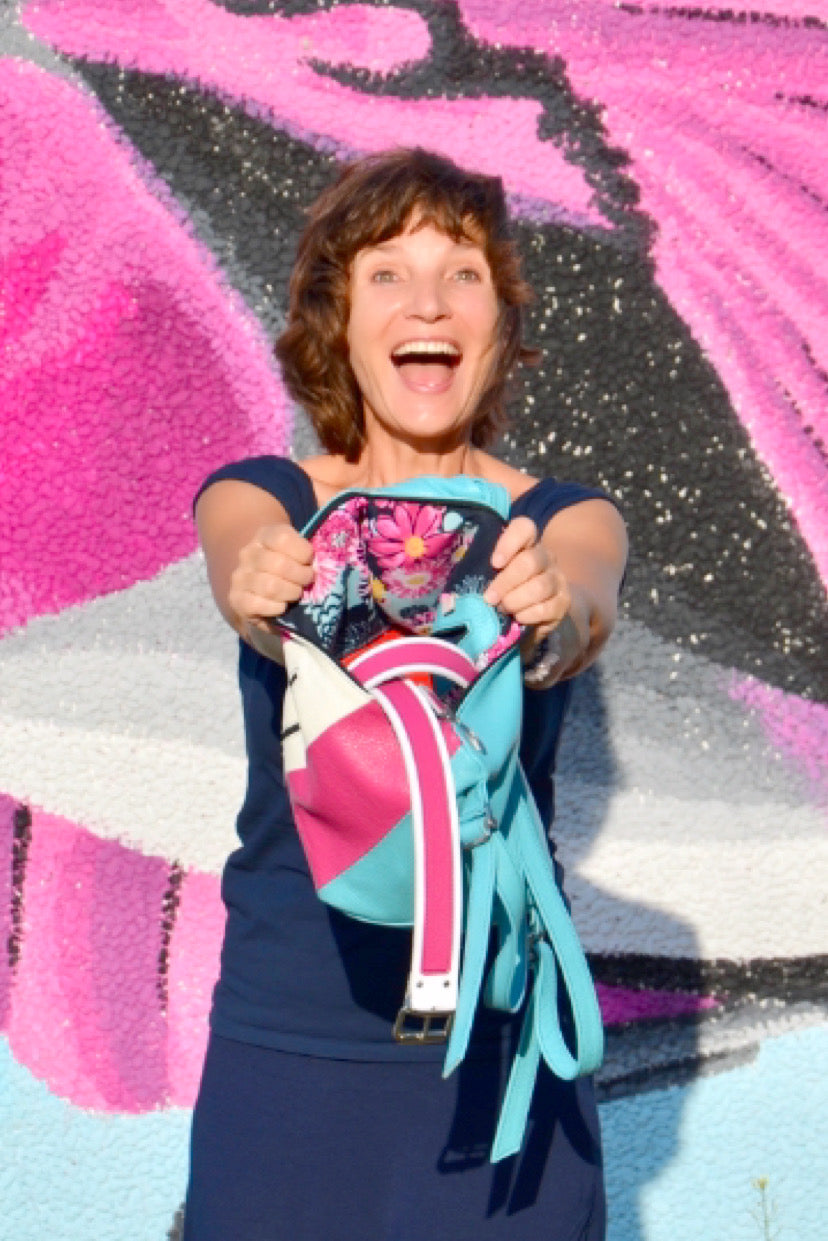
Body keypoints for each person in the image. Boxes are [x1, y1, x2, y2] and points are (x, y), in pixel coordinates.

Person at [184, 148, 627, 1241]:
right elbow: (243, 561)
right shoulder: (265, 495)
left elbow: (583, 601)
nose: (427, 301)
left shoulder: (562, 516)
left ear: (499, 324)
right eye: (387, 272)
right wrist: (264, 588)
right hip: (288, 1046)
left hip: (502, 1054)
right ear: (339, 320)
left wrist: (552, 611)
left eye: (462, 272)